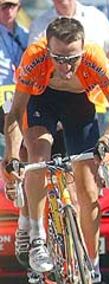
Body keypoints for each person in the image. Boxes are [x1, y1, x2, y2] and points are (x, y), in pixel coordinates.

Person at [1, 17, 109, 283]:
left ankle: (92, 266)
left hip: (78, 106)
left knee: (88, 191)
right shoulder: (34, 57)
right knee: (38, 156)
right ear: (47, 49)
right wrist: (12, 154)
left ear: (83, 49)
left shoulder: (95, 58)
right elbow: (14, 114)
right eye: (58, 58)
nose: (66, 66)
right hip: (42, 101)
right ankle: (38, 238)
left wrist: (107, 139)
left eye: (73, 58)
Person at [0, 0, 30, 269]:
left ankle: (27, 219)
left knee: (29, 151)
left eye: (12, 5)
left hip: (19, 101)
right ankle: (10, 176)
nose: (8, 11)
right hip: (2, 102)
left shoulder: (25, 34)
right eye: (2, 7)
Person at [28, 0, 109, 69]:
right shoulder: (38, 25)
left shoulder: (96, 17)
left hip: (98, 88)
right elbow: (33, 58)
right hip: (56, 89)